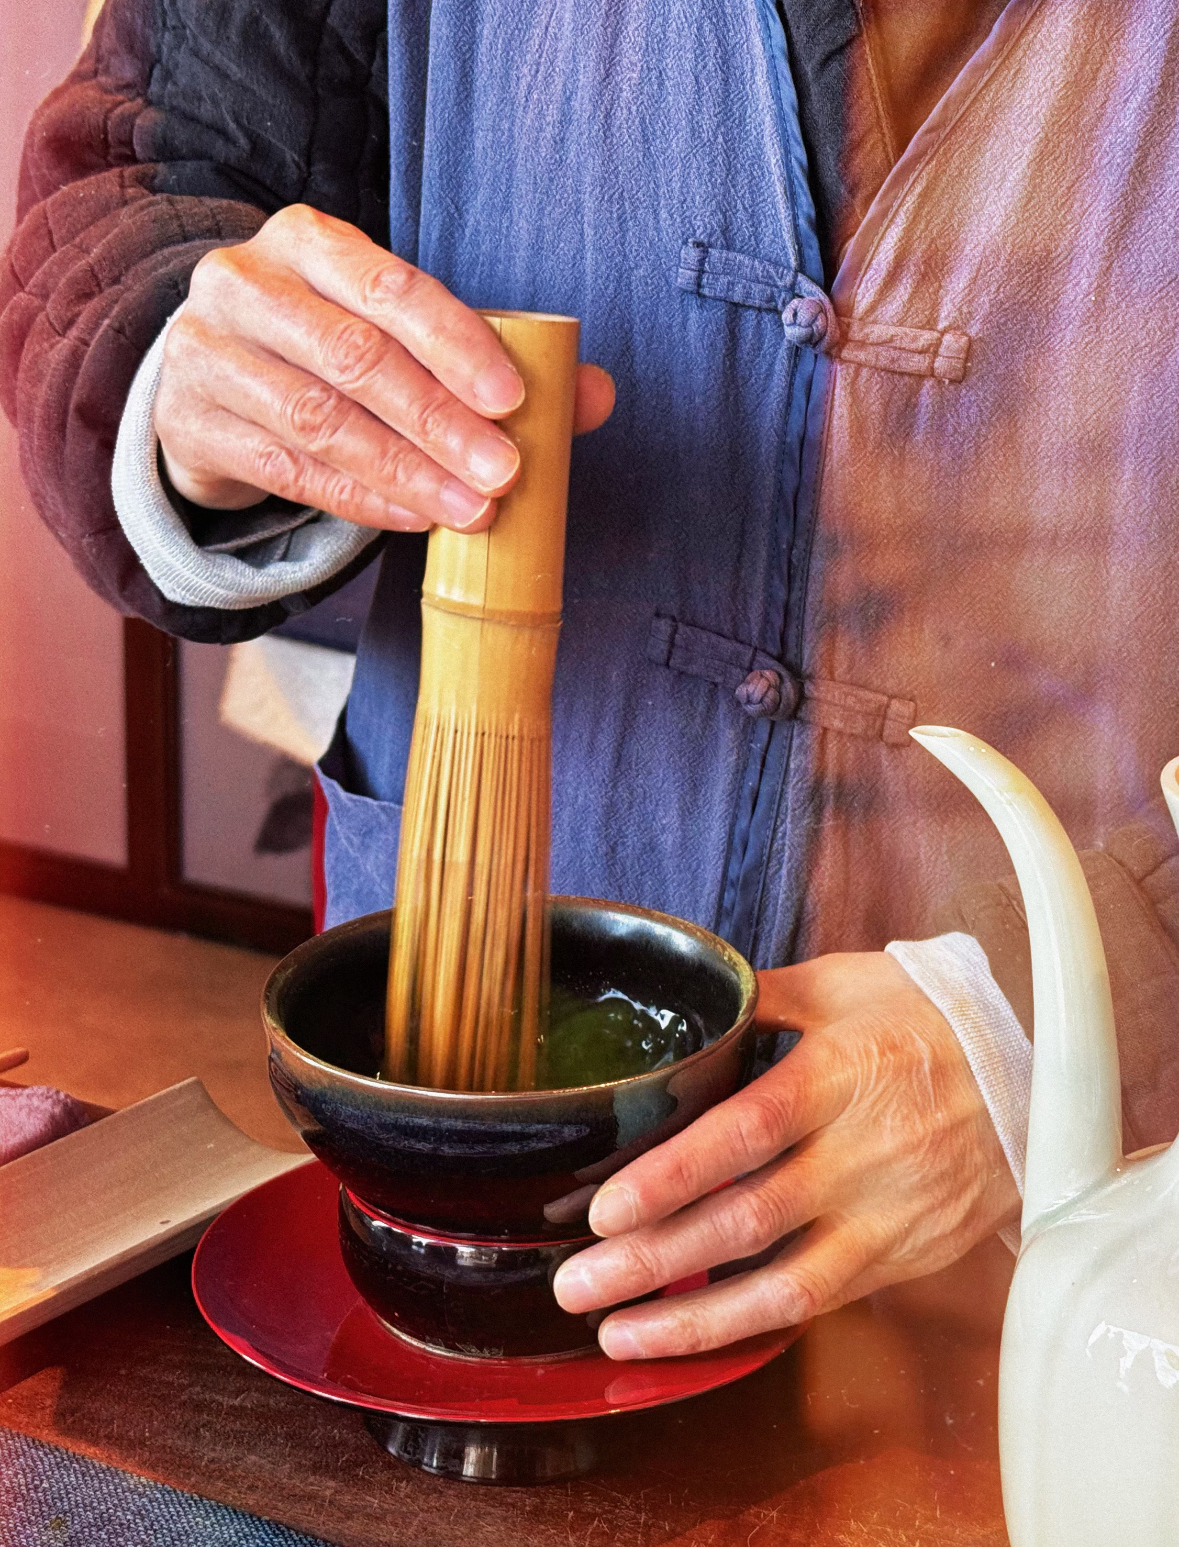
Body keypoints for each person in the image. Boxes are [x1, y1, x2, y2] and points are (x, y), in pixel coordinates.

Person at [5, 0, 1179, 1361]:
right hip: (467, 1194)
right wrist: (184, 362)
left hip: (1100, 1292)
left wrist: (1076, 1020)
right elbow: (136, 185)